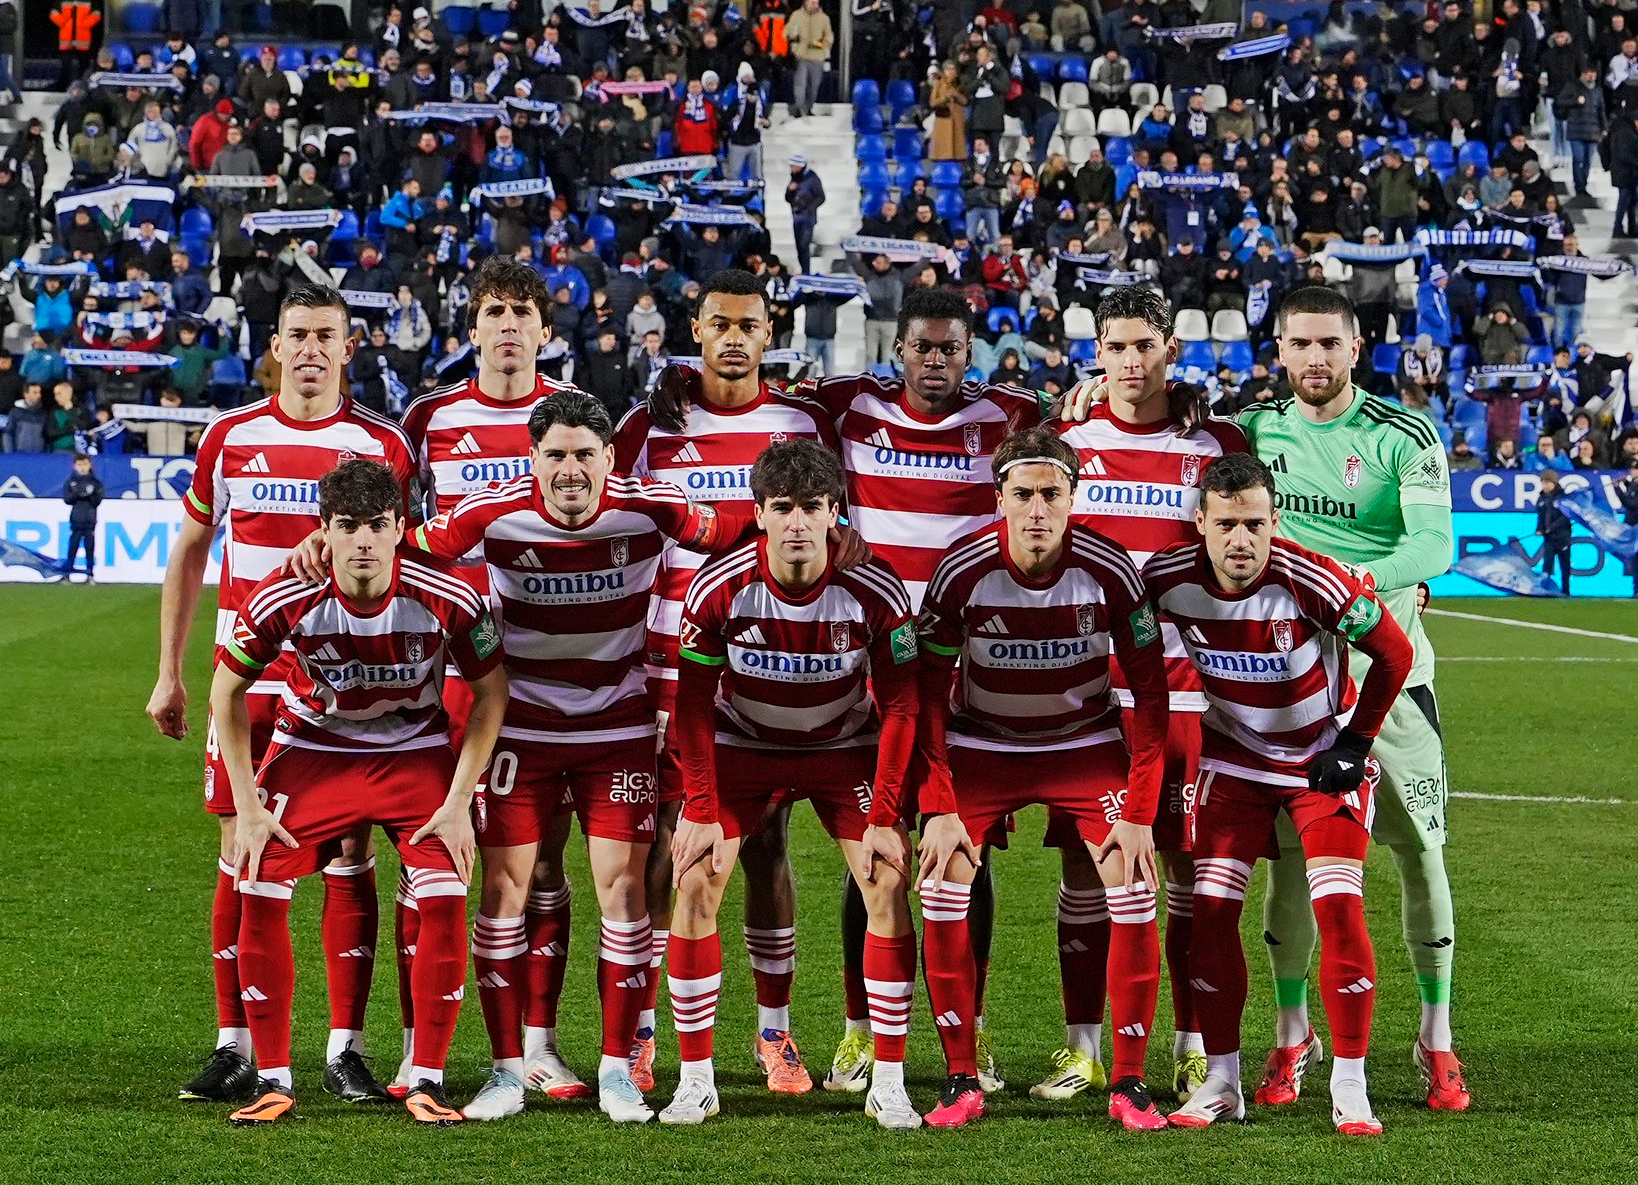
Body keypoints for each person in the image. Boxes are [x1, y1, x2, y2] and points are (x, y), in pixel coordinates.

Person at [409, 391, 752, 1125]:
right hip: (522, 732)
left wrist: (830, 534)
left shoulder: (654, 506)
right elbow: (408, 545)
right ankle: (506, 1070)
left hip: (615, 730)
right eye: (556, 455)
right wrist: (321, 545)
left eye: (585, 455)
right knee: (503, 891)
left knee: (625, 894)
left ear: (608, 458)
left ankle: (616, 1071)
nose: (571, 470)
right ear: (534, 459)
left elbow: (735, 530)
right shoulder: (488, 511)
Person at [145, 285, 417, 1107]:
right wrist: (169, 668)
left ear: (348, 347)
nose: (308, 349)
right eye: (295, 334)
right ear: (274, 344)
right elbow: (192, 547)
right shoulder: (230, 436)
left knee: (350, 857)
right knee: (241, 855)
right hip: (249, 683)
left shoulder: (382, 444)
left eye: (324, 336)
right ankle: (235, 1044)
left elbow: (413, 558)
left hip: (346, 689)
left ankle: (347, 1047)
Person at [212, 459, 509, 1127]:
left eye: (378, 525)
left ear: (401, 527)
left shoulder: (448, 595)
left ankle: (426, 1078)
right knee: (257, 877)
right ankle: (274, 1077)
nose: (365, 540)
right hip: (315, 749)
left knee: (445, 889)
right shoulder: (283, 595)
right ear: (326, 531)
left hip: (414, 752)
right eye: (349, 527)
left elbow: (492, 691)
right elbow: (226, 690)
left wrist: (459, 801)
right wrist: (249, 804)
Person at [1236, 287, 1468, 1112]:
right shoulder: (1255, 430)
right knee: (1295, 860)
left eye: (1329, 342)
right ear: (1280, 349)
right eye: (1299, 344)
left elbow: (1436, 542)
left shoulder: (1402, 434)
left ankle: (1436, 1039)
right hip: (1287, 689)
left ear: (1357, 345)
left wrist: (1357, 582)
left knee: (1420, 853)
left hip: (1390, 679)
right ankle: (1293, 1033)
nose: (1315, 359)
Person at [612, 268, 843, 1097]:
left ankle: (774, 1033)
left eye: (751, 323)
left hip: (766, 670)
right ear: (697, 329)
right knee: (662, 844)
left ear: (771, 329)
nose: (736, 337)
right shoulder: (650, 423)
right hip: (667, 668)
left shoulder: (803, 420)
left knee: (766, 846)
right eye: (720, 323)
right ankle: (640, 1034)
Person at [916, 426, 1173, 1132]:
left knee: (1134, 881)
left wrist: (1140, 811)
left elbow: (1152, 698)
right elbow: (925, 696)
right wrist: (937, 804)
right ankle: (961, 1076)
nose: (1036, 509)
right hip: (981, 745)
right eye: (1022, 493)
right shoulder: (960, 571)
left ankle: (1129, 1081)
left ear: (1073, 497)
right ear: (998, 498)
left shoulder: (1112, 570)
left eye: (1050, 493)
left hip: (1082, 745)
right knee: (939, 884)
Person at [663, 439, 923, 1130]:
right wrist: (698, 805)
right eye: (784, 508)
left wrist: (885, 814)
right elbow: (690, 705)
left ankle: (890, 1082)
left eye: (813, 506)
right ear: (760, 514)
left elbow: (901, 705)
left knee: (887, 880)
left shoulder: (876, 588)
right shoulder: (719, 585)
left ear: (835, 511)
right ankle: (696, 1080)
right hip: (742, 743)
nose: (799, 522)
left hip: (844, 746)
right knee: (695, 877)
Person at [1151, 452, 1413, 1135]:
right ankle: (1222, 1080)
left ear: (1276, 521)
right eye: (1228, 524)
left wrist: (1355, 744)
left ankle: (1350, 1085)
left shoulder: (1312, 578)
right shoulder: (1164, 579)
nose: (1243, 540)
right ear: (1200, 521)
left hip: (1320, 758)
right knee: (1207, 911)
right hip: (1234, 761)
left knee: (1340, 907)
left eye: (1257, 525)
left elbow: (1394, 653)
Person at [1046, 287, 1248, 1104]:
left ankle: (1192, 1046)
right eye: (1117, 346)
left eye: (1146, 346)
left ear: (1172, 347)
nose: (1132, 362)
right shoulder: (1065, 442)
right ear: (1097, 351)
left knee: (1188, 874)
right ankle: (1081, 1047)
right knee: (1086, 873)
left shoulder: (1216, 441)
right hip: (1091, 699)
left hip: (1192, 696)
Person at [395, 254, 588, 1099]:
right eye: (493, 312)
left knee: (543, 862)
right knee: (431, 849)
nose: (508, 325)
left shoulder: (573, 418)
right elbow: (395, 529)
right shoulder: (428, 417)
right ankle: (417, 1045)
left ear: (547, 331)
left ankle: (537, 1046)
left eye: (523, 313)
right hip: (447, 672)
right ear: (469, 329)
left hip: (550, 669)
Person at [784, 0, 833, 118]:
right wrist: (793, 39)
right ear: (805, 2)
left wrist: (824, 44)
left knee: (814, 86)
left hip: (817, 56)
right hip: (801, 55)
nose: (815, 5)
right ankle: (799, 108)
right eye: (812, 2)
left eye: (816, 2)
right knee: (800, 84)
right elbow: (787, 31)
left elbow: (829, 35)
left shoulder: (824, 18)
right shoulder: (796, 15)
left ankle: (808, 107)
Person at [60, 453, 103, 582]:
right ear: (74, 466)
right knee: (73, 546)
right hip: (76, 519)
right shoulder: (71, 482)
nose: (82, 467)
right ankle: (67, 573)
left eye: (85, 464)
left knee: (89, 547)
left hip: (90, 519)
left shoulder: (96, 483)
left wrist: (91, 495)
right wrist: (78, 493)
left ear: (90, 465)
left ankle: (90, 574)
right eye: (79, 465)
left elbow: (97, 501)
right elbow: (67, 499)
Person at [785, 154, 826, 274]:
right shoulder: (794, 178)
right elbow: (787, 198)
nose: (791, 168)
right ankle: (804, 270)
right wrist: (790, 190)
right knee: (799, 246)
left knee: (804, 245)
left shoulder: (812, 178)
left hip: (807, 218)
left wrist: (809, 208)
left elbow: (821, 197)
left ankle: (806, 272)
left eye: (793, 166)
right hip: (796, 216)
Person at [1535, 467, 1573, 592]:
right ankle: (1545, 589)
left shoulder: (1563, 498)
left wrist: (1550, 527)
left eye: (1547, 483)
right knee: (1547, 565)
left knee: (1564, 565)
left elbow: (1565, 517)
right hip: (1549, 538)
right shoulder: (1541, 499)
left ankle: (1566, 590)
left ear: (1554, 483)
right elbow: (1540, 516)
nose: (1545, 486)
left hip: (1562, 536)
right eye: (1543, 483)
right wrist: (1539, 529)